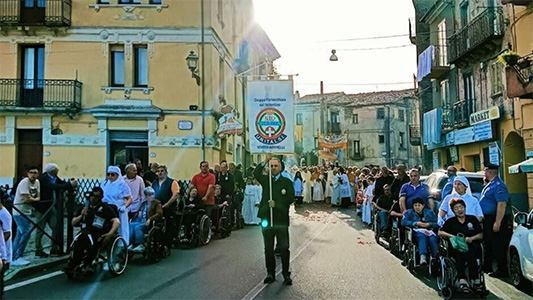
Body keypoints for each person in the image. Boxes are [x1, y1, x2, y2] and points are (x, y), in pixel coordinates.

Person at [254, 154, 295, 285]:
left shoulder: (286, 182)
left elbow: (290, 198)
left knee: (284, 247)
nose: (273, 168)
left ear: (281, 167)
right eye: (271, 166)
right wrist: (265, 160)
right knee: (268, 248)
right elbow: (256, 173)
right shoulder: (266, 180)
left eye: (276, 166)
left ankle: (285, 273)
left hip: (281, 220)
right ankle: (270, 273)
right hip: (267, 219)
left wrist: (277, 204)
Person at [69, 187, 120, 273]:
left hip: (99, 232)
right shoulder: (84, 208)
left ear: (101, 197)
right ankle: (74, 263)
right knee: (78, 241)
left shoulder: (105, 208)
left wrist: (110, 234)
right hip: (85, 232)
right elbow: (73, 223)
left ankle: (88, 264)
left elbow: (116, 221)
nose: (93, 198)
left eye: (97, 196)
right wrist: (81, 215)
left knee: (93, 243)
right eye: (92, 195)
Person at [439, 198, 484, 290]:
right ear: (453, 211)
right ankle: (462, 279)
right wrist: (452, 236)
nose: (459, 210)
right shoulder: (450, 222)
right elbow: (440, 233)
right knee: (460, 253)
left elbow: (480, 234)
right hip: (456, 247)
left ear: (465, 207)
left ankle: (475, 279)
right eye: (456, 208)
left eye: (461, 207)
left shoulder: (472, 219)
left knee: (471, 252)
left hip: (472, 245)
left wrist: (471, 238)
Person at [36, 163, 77, 258]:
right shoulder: (44, 178)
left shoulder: (54, 177)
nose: (57, 171)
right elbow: (52, 186)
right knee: (40, 230)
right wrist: (69, 185)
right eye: (56, 169)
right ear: (52, 170)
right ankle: (38, 249)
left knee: (56, 227)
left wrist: (69, 184)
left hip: (52, 207)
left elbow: (61, 183)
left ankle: (54, 248)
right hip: (42, 208)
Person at [479, 165, 510, 277]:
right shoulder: (490, 185)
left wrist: (497, 222)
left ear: (490, 172)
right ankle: (487, 266)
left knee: (497, 245)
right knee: (489, 243)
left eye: (485, 171)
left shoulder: (499, 185)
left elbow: (501, 204)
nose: (484, 173)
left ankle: (502, 269)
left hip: (495, 218)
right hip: (487, 219)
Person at [12, 166, 40, 266]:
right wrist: (34, 199)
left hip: (28, 211)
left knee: (20, 234)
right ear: (28, 174)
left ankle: (14, 256)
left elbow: (38, 196)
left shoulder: (37, 182)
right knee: (26, 232)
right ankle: (17, 256)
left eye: (35, 172)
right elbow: (25, 199)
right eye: (31, 172)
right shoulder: (24, 182)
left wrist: (33, 199)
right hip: (19, 211)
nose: (33, 174)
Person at [401, 198, 439, 265]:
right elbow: (403, 222)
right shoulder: (409, 212)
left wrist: (429, 224)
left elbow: (437, 223)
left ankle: (435, 258)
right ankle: (423, 257)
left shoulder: (430, 212)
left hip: (429, 231)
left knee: (433, 238)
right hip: (416, 232)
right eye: (415, 205)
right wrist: (415, 223)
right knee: (422, 236)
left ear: (423, 206)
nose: (417, 207)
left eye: (419, 205)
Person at [102, 165, 132, 246]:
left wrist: (124, 206)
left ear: (118, 175)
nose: (110, 176)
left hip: (119, 208)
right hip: (108, 208)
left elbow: (129, 198)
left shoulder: (122, 185)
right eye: (108, 174)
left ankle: (122, 245)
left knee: (121, 228)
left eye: (112, 174)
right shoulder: (105, 184)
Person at [152, 165, 180, 248]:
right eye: (158, 171)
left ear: (166, 172)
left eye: (162, 171)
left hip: (168, 206)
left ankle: (167, 244)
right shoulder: (155, 182)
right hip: (157, 206)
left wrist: (168, 204)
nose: (160, 173)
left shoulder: (172, 182)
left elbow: (175, 194)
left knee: (169, 225)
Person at [128, 187, 162, 252]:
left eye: (152, 194)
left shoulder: (157, 203)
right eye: (149, 195)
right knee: (131, 225)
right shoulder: (144, 203)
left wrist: (150, 219)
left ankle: (140, 244)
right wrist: (139, 212)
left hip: (149, 224)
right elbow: (139, 211)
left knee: (137, 227)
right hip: (141, 221)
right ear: (146, 196)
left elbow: (159, 214)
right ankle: (132, 243)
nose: (151, 196)